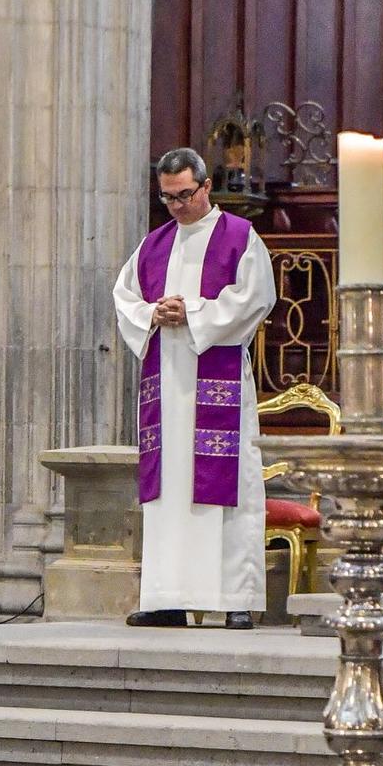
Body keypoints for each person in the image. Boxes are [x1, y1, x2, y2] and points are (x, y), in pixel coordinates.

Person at [114, 149, 277, 628]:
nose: (178, 206)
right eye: (168, 198)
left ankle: (234, 600)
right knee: (170, 491)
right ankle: (167, 597)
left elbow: (255, 297)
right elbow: (124, 298)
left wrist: (195, 313)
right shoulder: (153, 245)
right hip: (165, 380)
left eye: (185, 194)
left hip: (217, 377)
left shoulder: (241, 238)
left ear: (206, 186)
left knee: (226, 488)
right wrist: (152, 314)